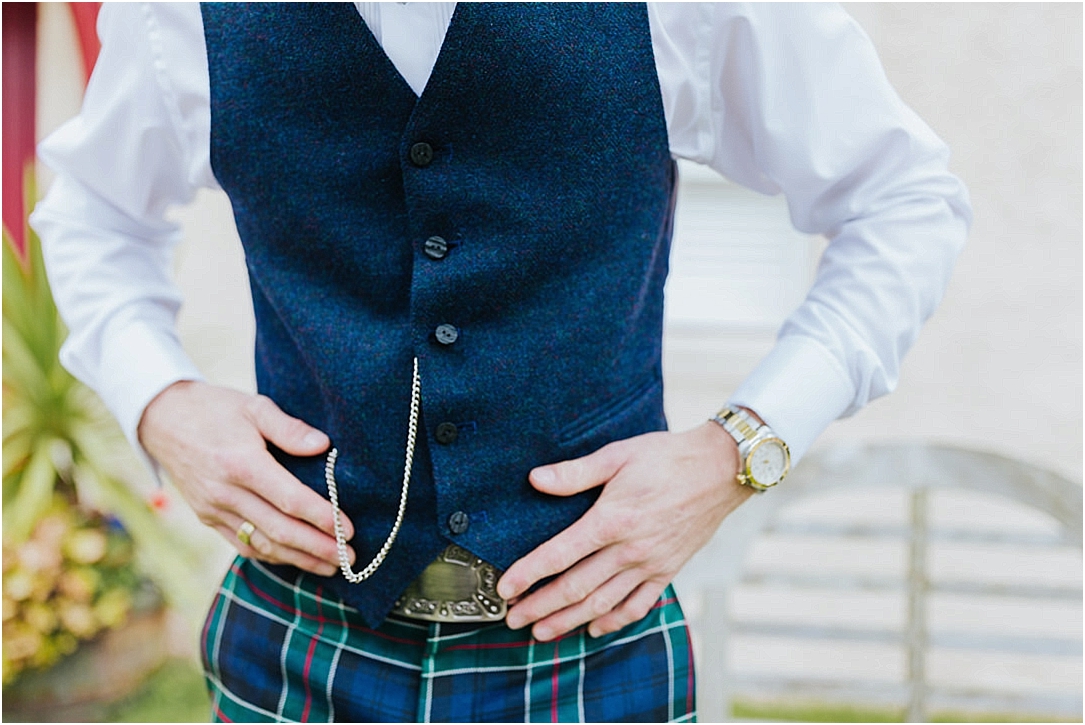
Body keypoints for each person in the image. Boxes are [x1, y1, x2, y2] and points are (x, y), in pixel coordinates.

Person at [31, 2, 970, 722]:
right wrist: (159, 400)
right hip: (298, 637)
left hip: (590, 648)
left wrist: (742, 445)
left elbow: (902, 198)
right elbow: (94, 212)